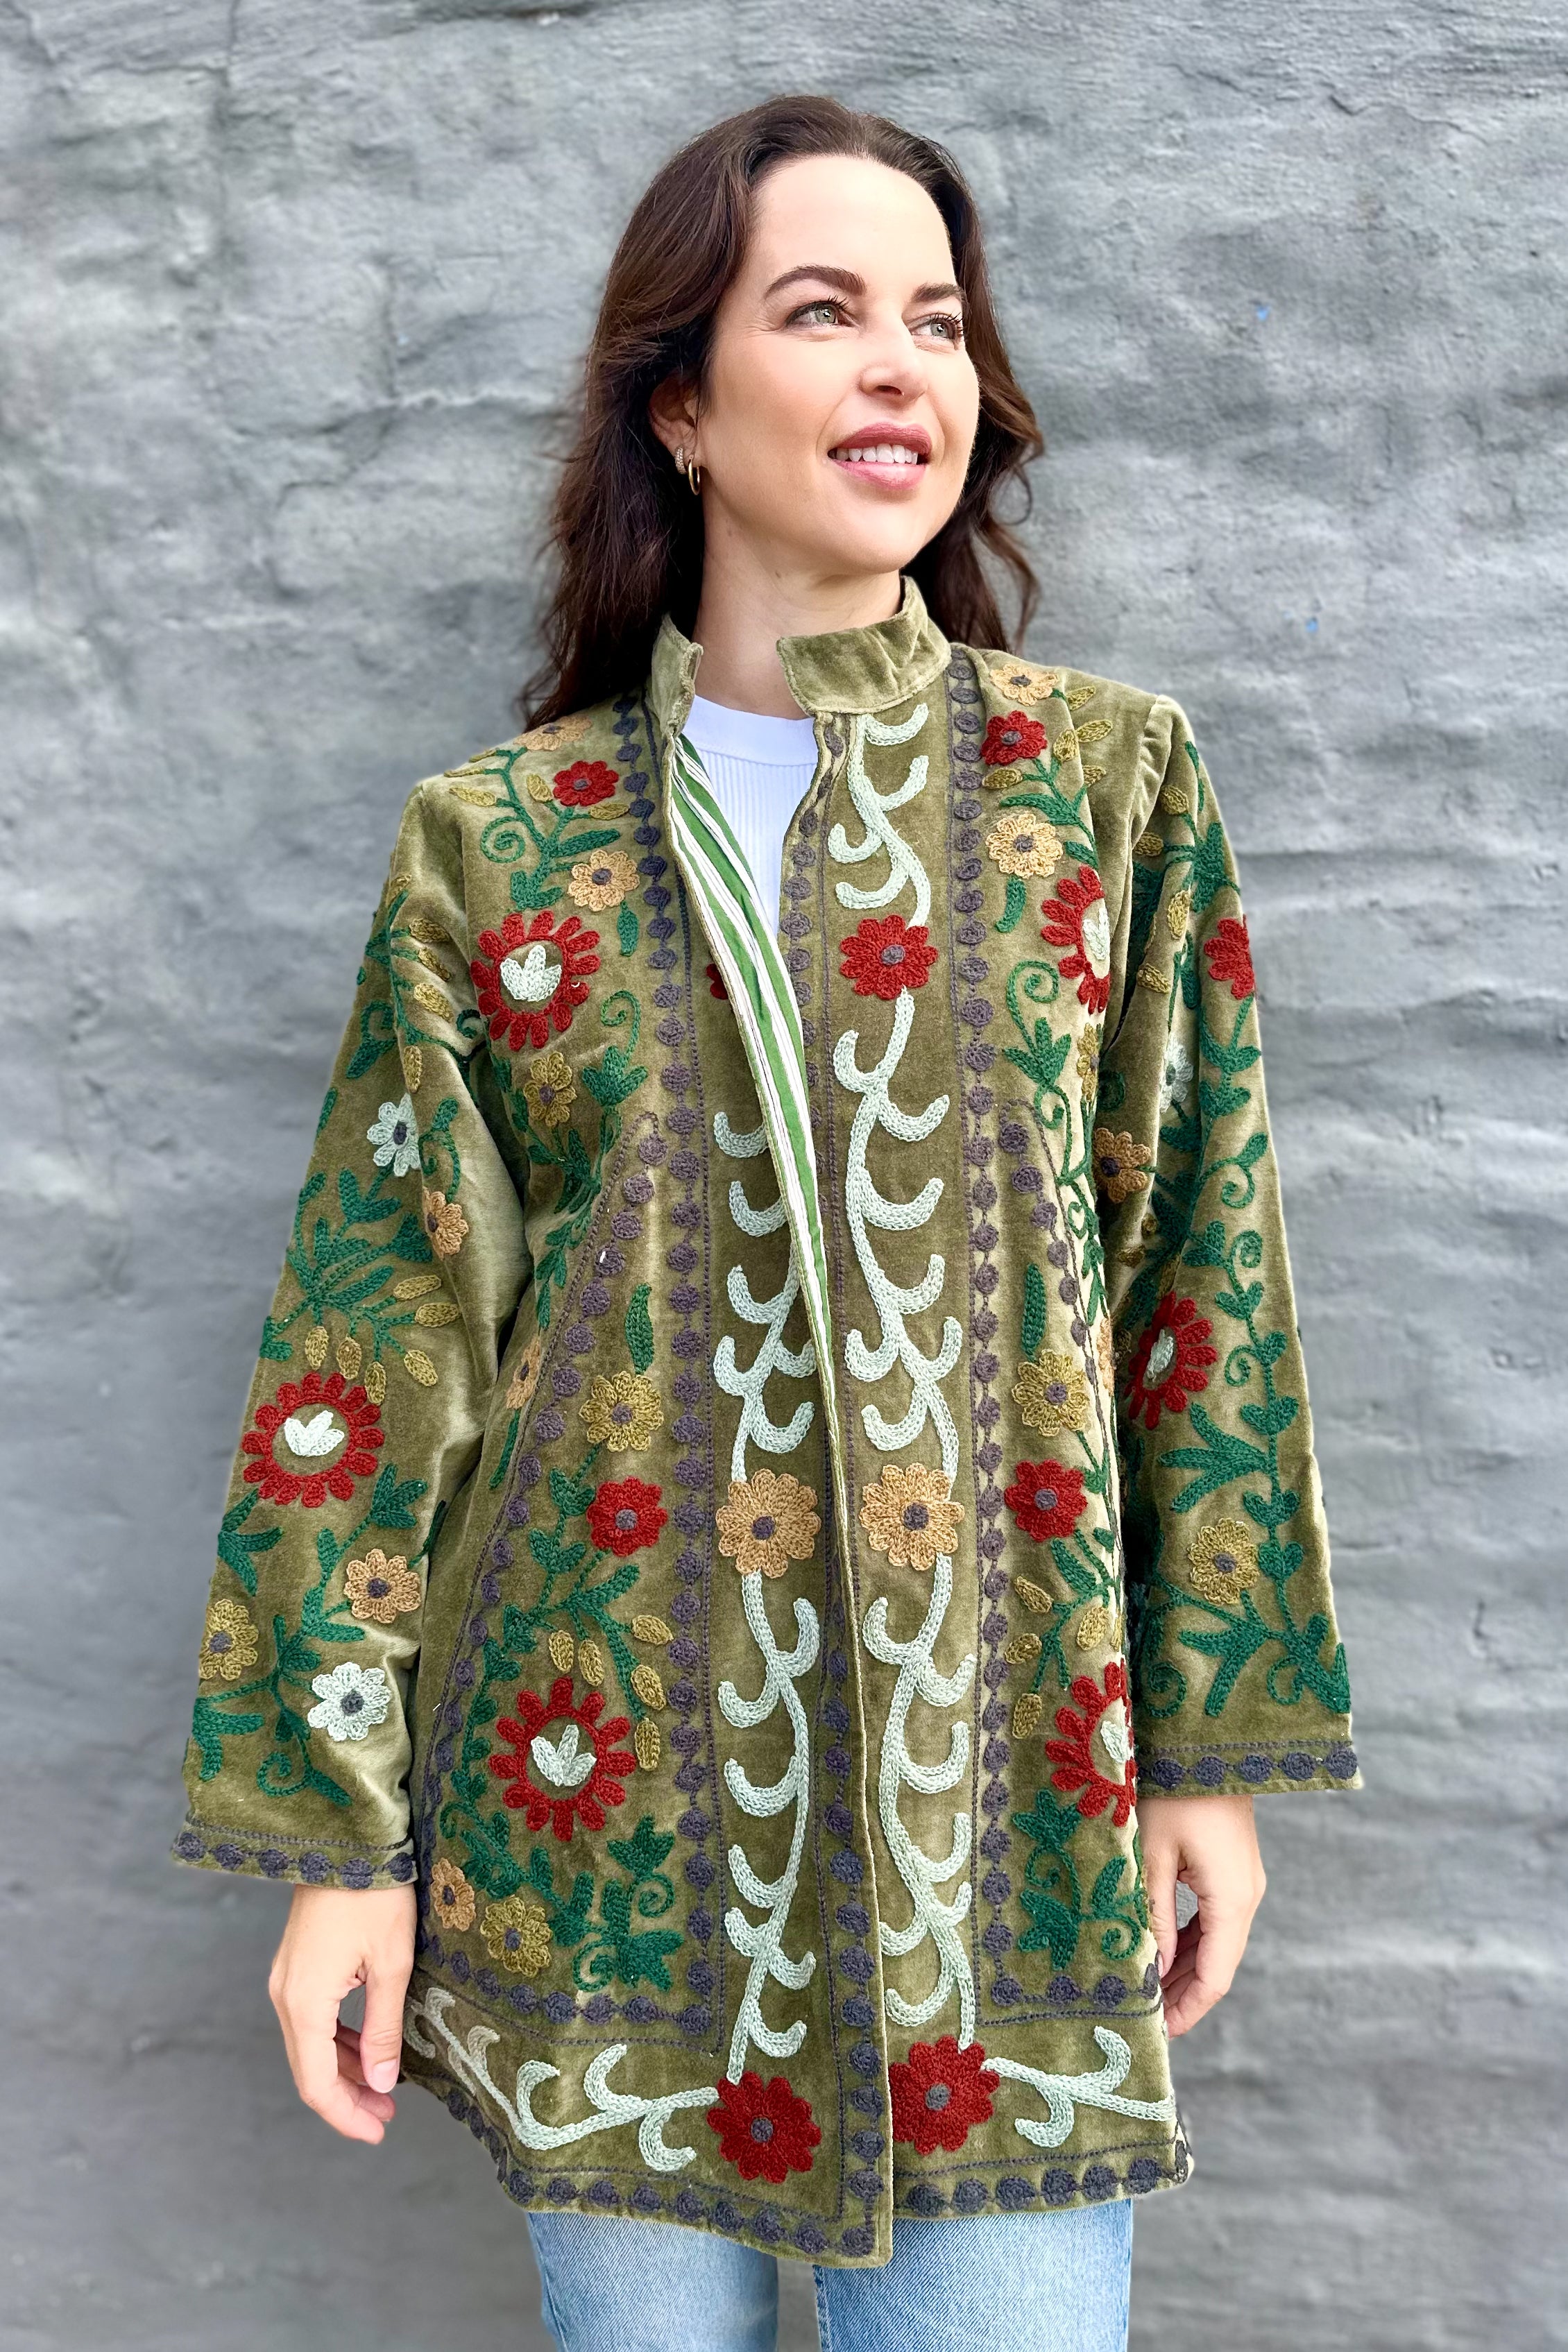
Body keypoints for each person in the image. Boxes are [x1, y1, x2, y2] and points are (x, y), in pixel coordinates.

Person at [171, 94, 1358, 2352]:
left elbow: (1198, 1278)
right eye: (822, 313)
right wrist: (338, 1845)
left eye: (938, 321)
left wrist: (1206, 1748)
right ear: (685, 410)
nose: (902, 365)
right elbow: (368, 1358)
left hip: (1006, 1830)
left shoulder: (1103, 790)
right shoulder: (500, 845)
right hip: (602, 1833)